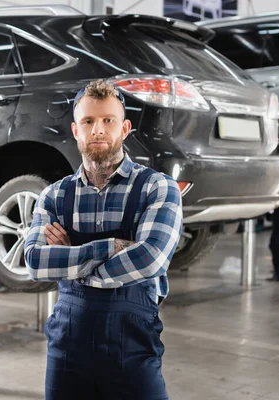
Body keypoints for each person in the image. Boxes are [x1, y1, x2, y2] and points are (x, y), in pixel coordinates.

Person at [24, 79, 183, 399]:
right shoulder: (54, 196)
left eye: (107, 120)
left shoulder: (158, 188)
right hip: (67, 350)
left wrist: (71, 259)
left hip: (133, 349)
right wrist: (108, 247)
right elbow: (36, 264)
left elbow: (149, 258)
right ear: (75, 130)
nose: (98, 129)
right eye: (88, 121)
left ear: (124, 128)